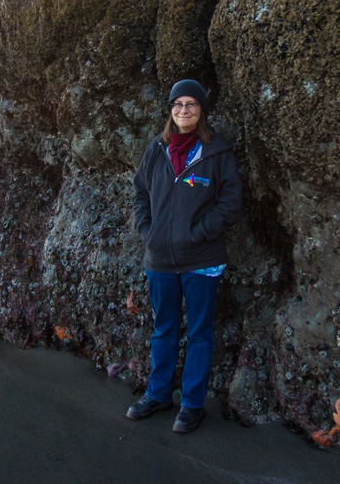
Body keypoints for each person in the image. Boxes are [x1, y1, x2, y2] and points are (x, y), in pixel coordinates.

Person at [127, 79, 243, 433]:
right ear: (170, 111)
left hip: (203, 260)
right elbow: (139, 195)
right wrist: (149, 234)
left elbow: (230, 203)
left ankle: (192, 404)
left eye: (191, 104)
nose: (183, 110)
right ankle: (158, 393)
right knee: (163, 329)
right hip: (159, 259)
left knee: (199, 333)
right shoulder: (156, 150)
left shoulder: (217, 153)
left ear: (201, 110)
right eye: (178, 105)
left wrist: (198, 233)